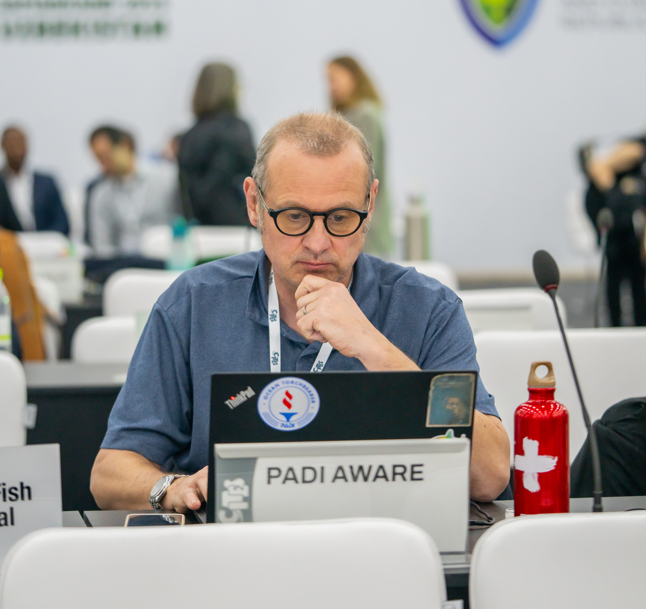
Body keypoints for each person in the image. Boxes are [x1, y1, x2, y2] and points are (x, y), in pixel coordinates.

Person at [91, 112, 510, 512]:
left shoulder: (427, 308)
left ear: (371, 204)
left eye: (341, 217)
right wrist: (173, 488)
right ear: (255, 204)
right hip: (231, 556)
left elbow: (489, 474)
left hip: (378, 550)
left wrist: (377, 352)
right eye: (294, 216)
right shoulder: (193, 304)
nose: (317, 242)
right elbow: (110, 473)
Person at [326, 56, 393, 257]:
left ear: (353, 78)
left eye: (334, 79)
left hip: (366, 224)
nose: (331, 87)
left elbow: (367, 172)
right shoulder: (350, 115)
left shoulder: (365, 115)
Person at [177, 62, 256, 225]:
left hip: (197, 228)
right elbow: (256, 174)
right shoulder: (237, 129)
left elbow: (184, 192)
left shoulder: (188, 137)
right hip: (236, 227)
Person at [581, 137, 646, 326]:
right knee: (615, 278)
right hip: (613, 236)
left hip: (629, 235)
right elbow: (596, 170)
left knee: (636, 279)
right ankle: (615, 323)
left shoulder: (635, 180)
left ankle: (640, 323)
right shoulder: (605, 176)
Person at [87, 126, 176, 257]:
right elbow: (101, 245)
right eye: (98, 159)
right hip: (123, 267)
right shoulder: (101, 194)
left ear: (125, 145)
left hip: (164, 259)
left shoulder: (167, 179)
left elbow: (182, 224)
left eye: (106, 156)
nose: (102, 164)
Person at [1, 126, 69, 235]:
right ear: (3, 145)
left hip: (46, 244)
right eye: (12, 142)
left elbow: (61, 221)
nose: (17, 148)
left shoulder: (47, 182)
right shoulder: (2, 183)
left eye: (21, 142)